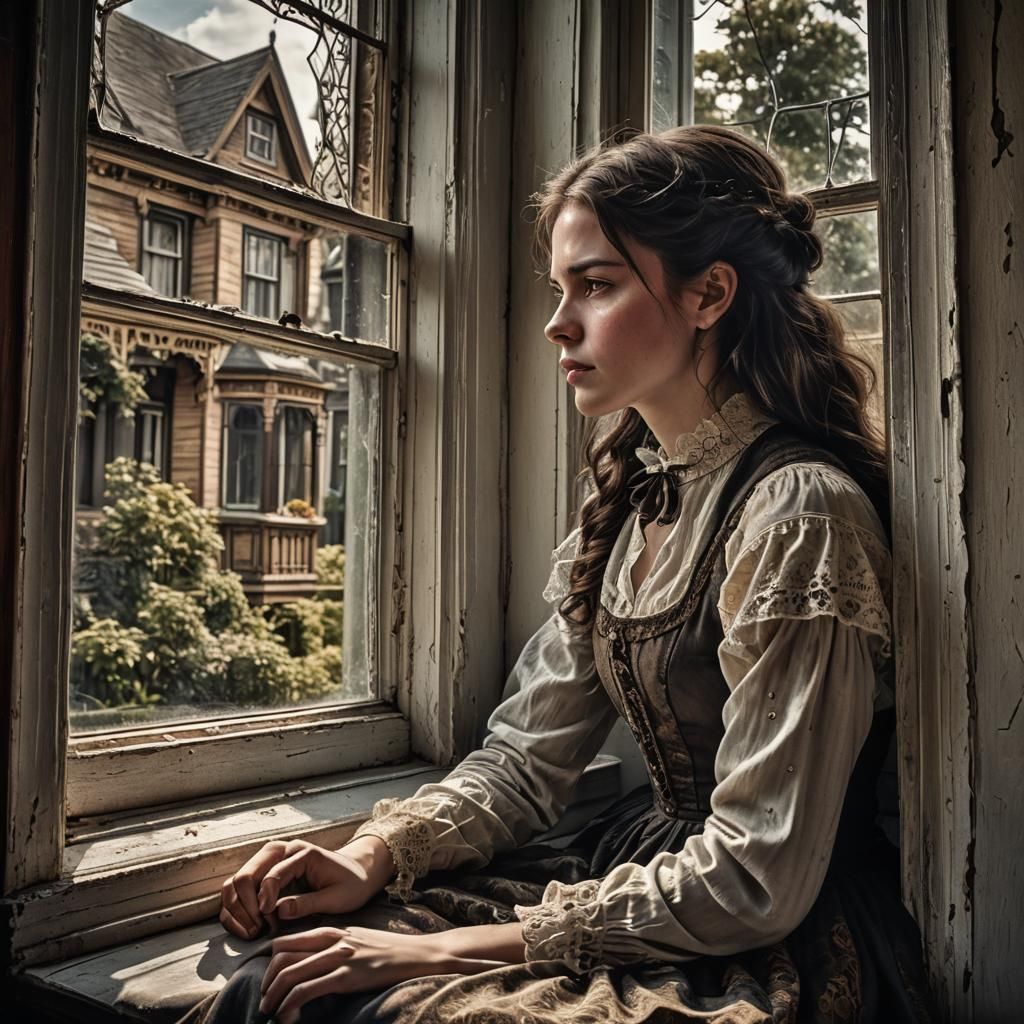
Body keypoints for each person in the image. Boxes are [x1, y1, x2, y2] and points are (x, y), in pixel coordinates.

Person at [180, 125, 934, 1024]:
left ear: (710, 293)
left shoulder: (800, 515)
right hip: (628, 868)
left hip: (760, 935)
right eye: (558, 289)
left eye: (597, 285)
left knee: (382, 1005)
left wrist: (439, 949)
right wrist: (370, 855)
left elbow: (755, 876)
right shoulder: (633, 499)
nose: (557, 322)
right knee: (278, 981)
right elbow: (526, 761)